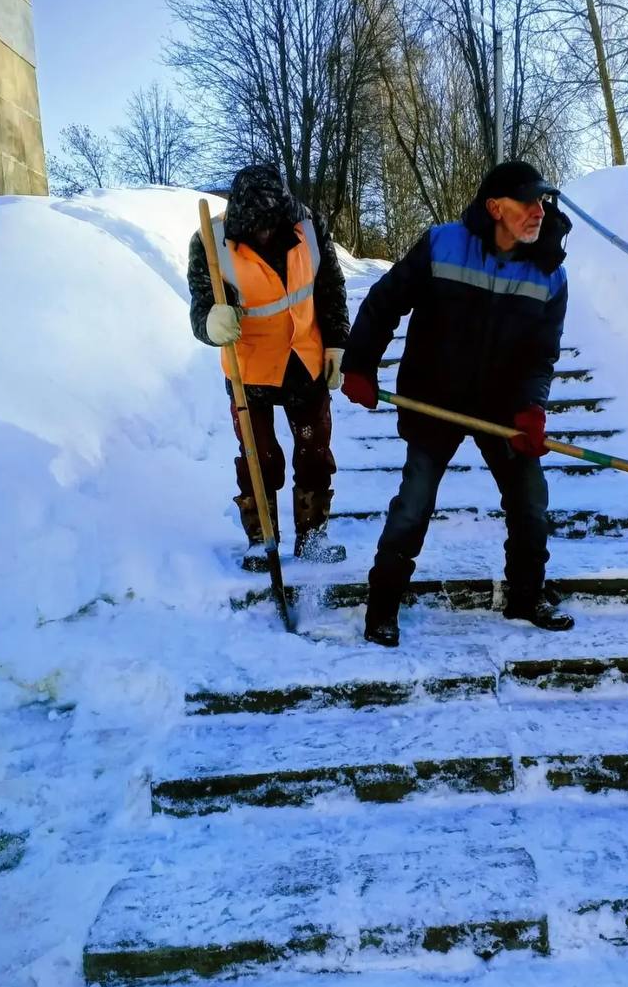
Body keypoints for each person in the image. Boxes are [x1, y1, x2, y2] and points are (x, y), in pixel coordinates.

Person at [341, 159, 574, 647]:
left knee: (531, 502)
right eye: (527, 202)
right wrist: (360, 365)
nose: (539, 211)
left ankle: (526, 596)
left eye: (543, 202)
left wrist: (532, 408)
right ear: (495, 207)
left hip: (503, 406)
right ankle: (382, 607)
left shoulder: (550, 274)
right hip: (434, 399)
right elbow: (385, 302)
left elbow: (542, 355)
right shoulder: (442, 245)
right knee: (413, 505)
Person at [187, 163, 350, 561]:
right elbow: (200, 309)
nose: (263, 233)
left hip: (304, 357)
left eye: (269, 225)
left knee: (314, 453)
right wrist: (211, 322)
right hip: (250, 368)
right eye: (255, 227)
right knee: (259, 458)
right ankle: (262, 540)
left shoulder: (308, 227)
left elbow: (330, 288)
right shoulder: (211, 241)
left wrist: (336, 345)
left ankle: (312, 538)